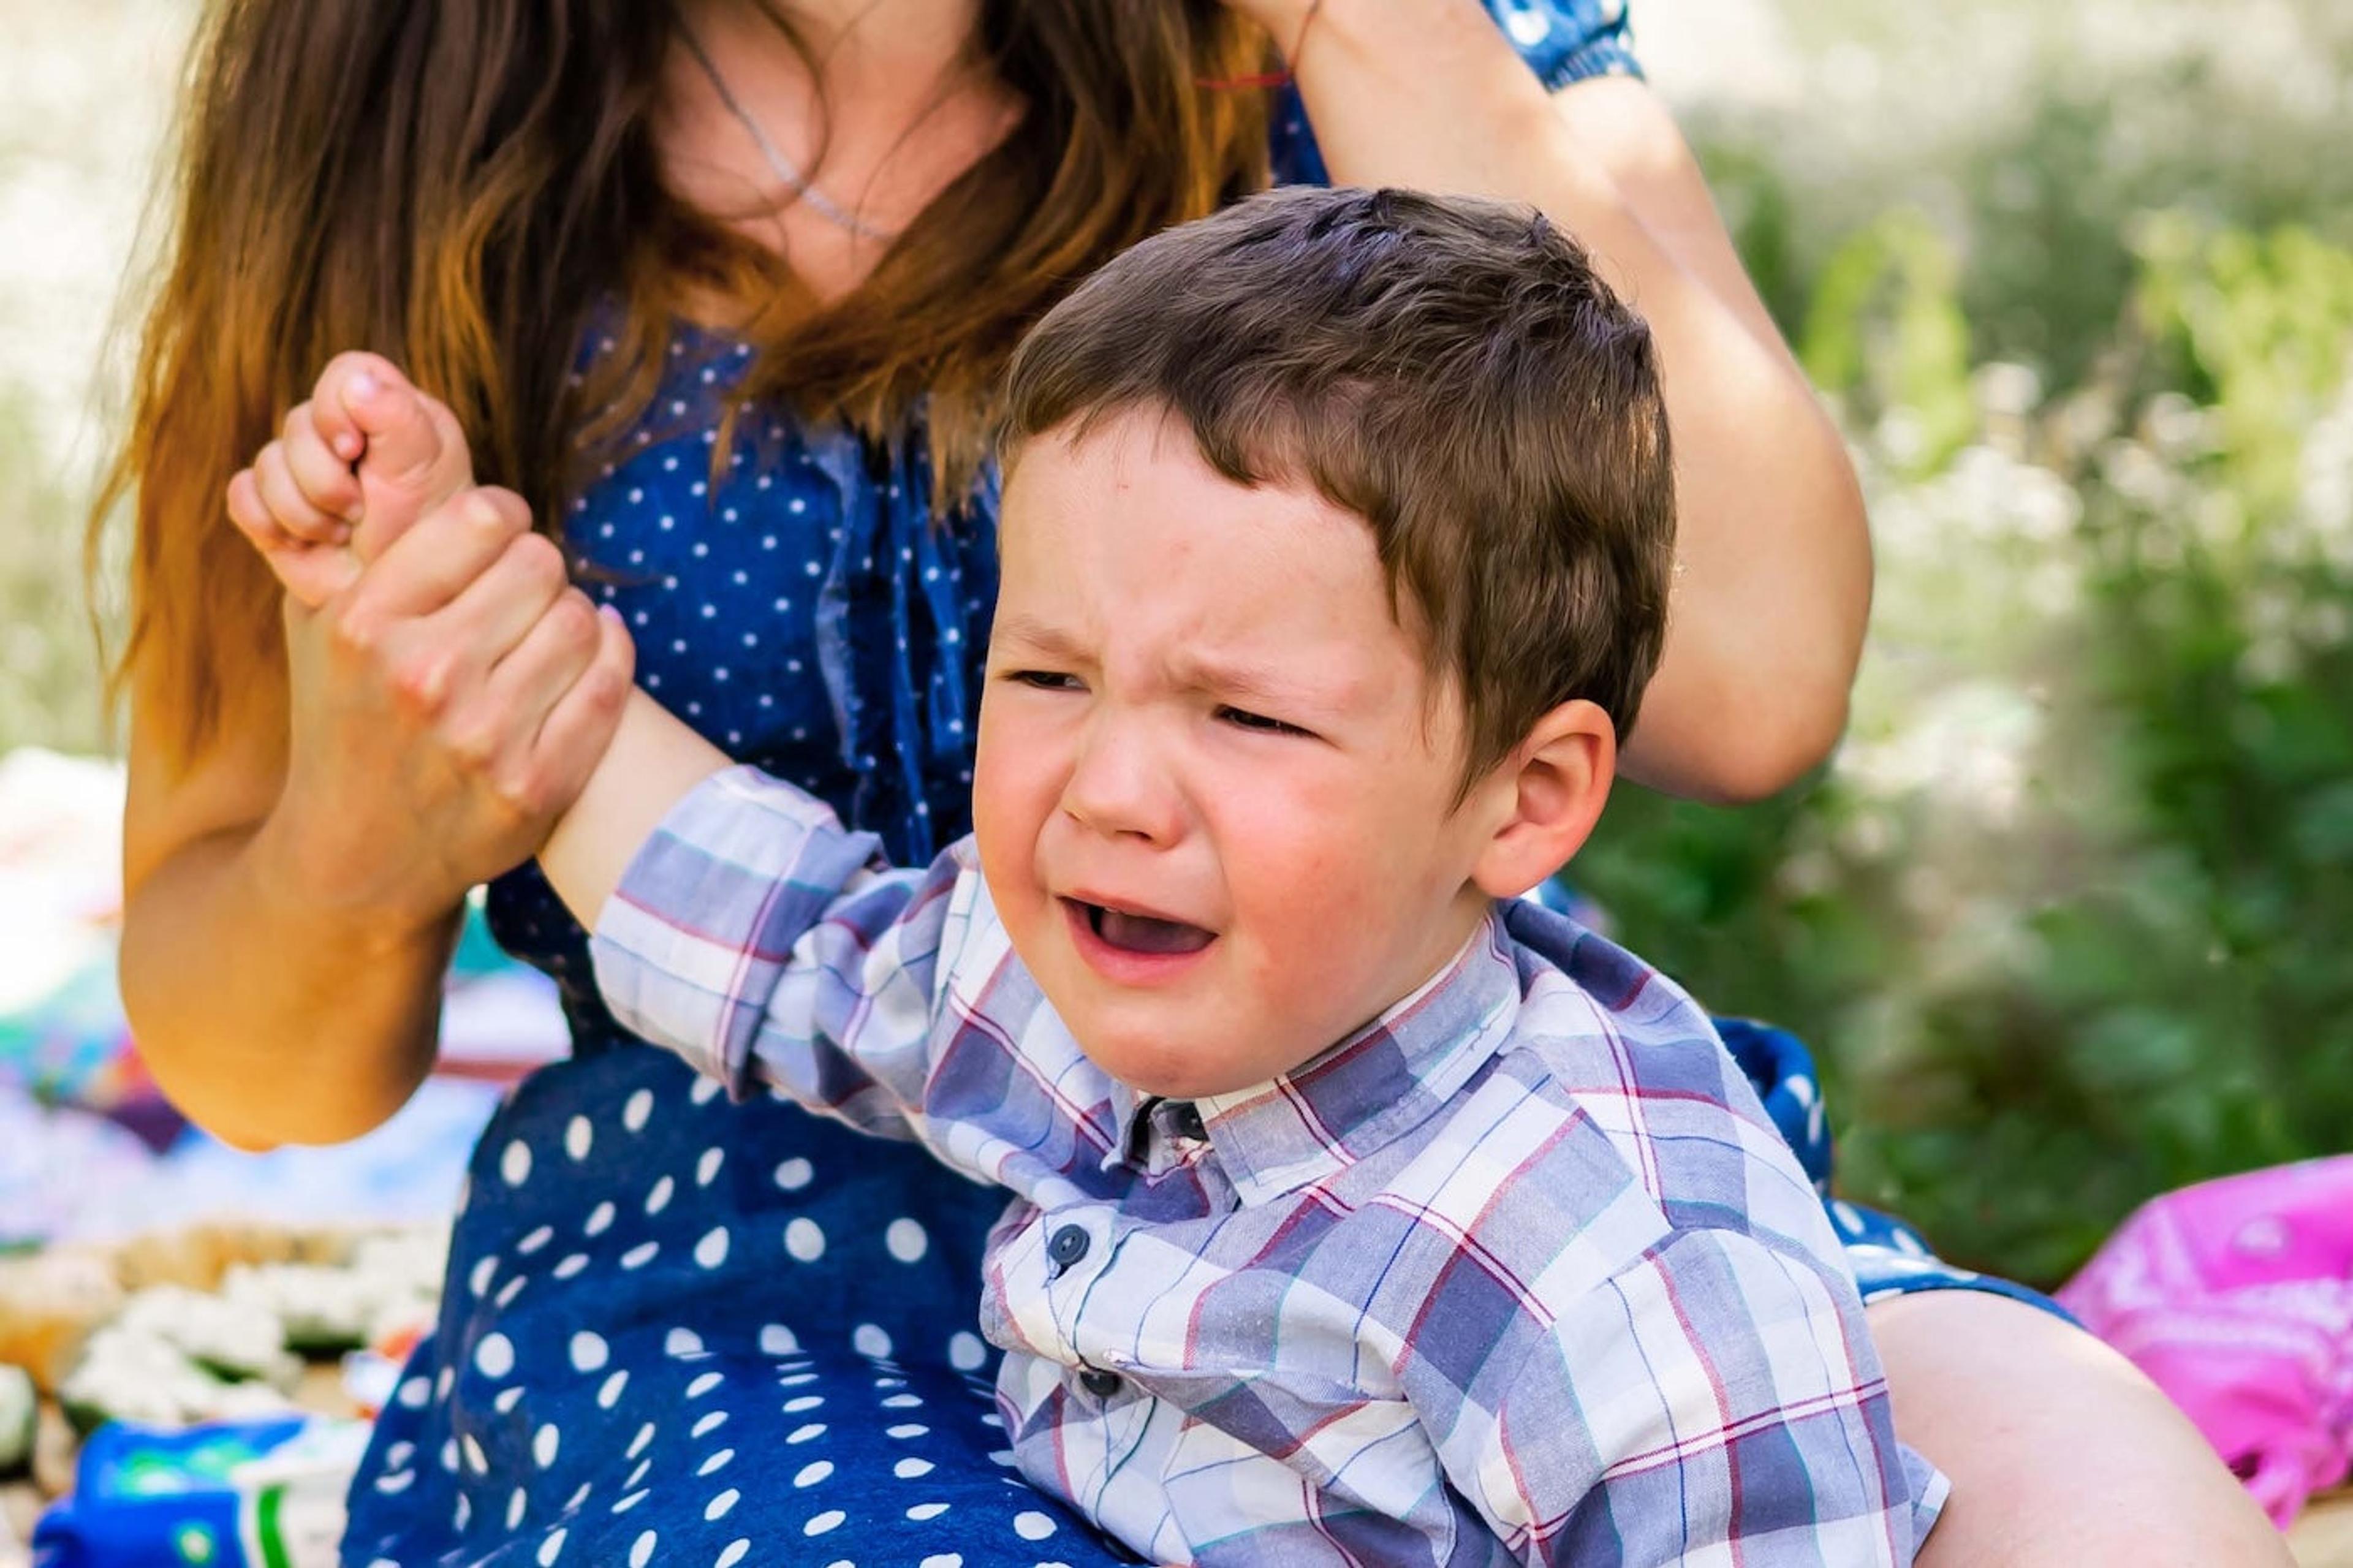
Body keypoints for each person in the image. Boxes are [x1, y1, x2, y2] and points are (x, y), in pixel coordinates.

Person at [102, 0, 2285, 1561]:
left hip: (1415, 1151)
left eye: (1239, 717)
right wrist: (367, 823)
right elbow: (694, 926)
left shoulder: (1603, 1245)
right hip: (740, 1250)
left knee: (2123, 1522)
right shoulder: (384, 92)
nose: (1121, 784)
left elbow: (1756, 681)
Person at [232, 184, 1949, 1565]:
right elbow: (787, 934)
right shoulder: (1058, 986)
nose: (1111, 791)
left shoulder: (1614, 1289)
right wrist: (452, 604)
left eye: (1250, 717)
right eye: (1048, 679)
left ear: (1526, 801)